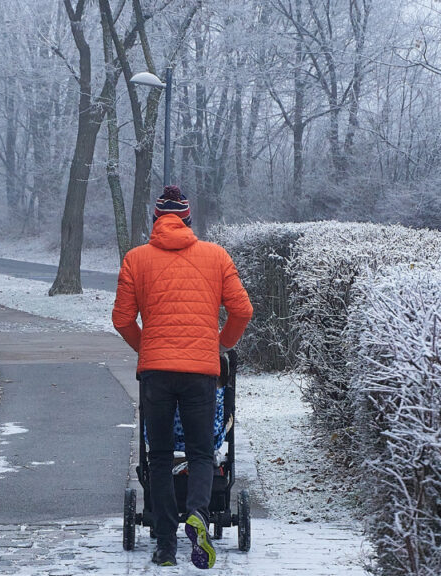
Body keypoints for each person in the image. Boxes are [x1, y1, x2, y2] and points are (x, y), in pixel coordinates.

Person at [111, 185, 253, 569]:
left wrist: (148, 348)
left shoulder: (136, 259)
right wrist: (218, 345)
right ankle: (198, 514)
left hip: (156, 373)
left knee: (158, 457)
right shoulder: (216, 256)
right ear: (189, 221)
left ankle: (165, 546)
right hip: (200, 374)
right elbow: (242, 310)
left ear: (156, 221)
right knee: (201, 452)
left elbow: (122, 319)